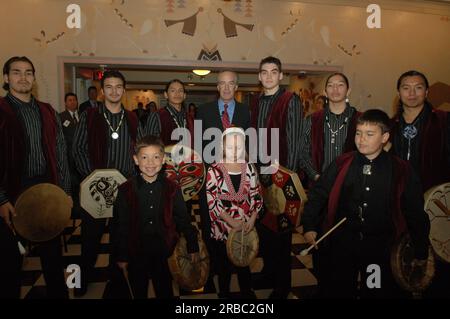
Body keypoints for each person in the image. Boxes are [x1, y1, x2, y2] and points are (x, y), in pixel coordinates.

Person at [302, 109, 430, 298]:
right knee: (339, 290)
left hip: (379, 250)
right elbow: (318, 194)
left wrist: (420, 249)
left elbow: (414, 211)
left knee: (375, 290)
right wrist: (309, 225)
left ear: (385, 137)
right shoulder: (342, 163)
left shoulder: (401, 170)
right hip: (343, 245)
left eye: (370, 134)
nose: (361, 139)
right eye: (358, 133)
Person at [0, 56, 71, 298]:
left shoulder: (47, 110)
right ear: (6, 78)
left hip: (46, 191)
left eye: (28, 72)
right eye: (16, 72)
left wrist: (66, 193)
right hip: (11, 193)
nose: (23, 77)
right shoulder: (1, 110)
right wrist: (1, 199)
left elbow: (61, 153)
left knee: (52, 258)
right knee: (10, 261)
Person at [72, 70, 142, 296]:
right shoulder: (90, 115)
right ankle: (81, 281)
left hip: (124, 189)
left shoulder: (131, 118)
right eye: (109, 87)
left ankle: (116, 281)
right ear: (102, 91)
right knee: (90, 240)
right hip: (95, 190)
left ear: (124, 89)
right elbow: (78, 150)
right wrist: (95, 178)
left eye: (118, 86)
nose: (114, 91)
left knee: (120, 239)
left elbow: (139, 150)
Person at [112, 135, 199, 298]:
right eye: (144, 157)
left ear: (164, 160)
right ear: (136, 160)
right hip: (136, 251)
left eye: (156, 157)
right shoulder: (125, 190)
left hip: (165, 252)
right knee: (138, 289)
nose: (150, 163)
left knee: (165, 288)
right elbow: (121, 226)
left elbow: (183, 219)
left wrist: (192, 245)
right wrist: (121, 255)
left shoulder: (173, 188)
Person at [390, 70, 450, 298]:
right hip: (399, 206)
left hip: (434, 206)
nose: (412, 93)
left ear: (427, 91)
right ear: (399, 92)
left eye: (418, 87)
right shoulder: (390, 125)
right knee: (400, 263)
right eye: (406, 87)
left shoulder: (443, 121)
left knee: (438, 269)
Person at [250, 56, 303, 299]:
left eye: (274, 72)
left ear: (281, 76)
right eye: (264, 72)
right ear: (259, 76)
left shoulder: (290, 100)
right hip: (260, 176)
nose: (269, 76)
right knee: (265, 228)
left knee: (282, 235)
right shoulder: (256, 101)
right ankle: (269, 272)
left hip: (280, 178)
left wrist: (283, 180)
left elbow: (293, 143)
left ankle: (283, 286)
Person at [196, 70, 250, 293]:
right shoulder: (203, 111)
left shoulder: (246, 111)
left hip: (239, 177)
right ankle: (215, 272)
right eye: (222, 84)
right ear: (217, 87)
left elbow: (249, 146)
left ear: (236, 86)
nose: (226, 88)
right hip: (212, 179)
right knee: (213, 229)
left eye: (231, 84)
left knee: (240, 225)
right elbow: (199, 146)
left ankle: (242, 275)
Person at [206, 127, 262, 298]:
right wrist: (230, 221)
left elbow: (256, 195)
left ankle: (246, 291)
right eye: (230, 147)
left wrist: (252, 218)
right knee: (223, 268)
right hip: (223, 228)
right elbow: (212, 201)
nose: (235, 151)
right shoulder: (214, 170)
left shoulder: (250, 168)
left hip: (245, 227)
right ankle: (224, 292)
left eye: (239, 147)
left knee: (243, 263)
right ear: (222, 147)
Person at [300, 73, 360, 186]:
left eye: (340, 85)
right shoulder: (312, 120)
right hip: (319, 185)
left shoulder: (360, 120)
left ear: (348, 91)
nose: (335, 89)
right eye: (331, 85)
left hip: (351, 185)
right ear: (325, 92)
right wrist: (316, 176)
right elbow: (303, 153)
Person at [144, 79, 193, 146]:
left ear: (184, 95)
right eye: (173, 90)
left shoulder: (190, 118)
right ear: (166, 95)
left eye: (180, 90)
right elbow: (150, 144)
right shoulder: (156, 116)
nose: (177, 93)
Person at [60, 92, 82, 221]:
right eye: (69, 100)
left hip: (81, 158)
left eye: (74, 100)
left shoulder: (82, 116)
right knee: (72, 184)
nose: (72, 102)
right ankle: (74, 210)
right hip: (68, 158)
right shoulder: (61, 117)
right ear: (65, 102)